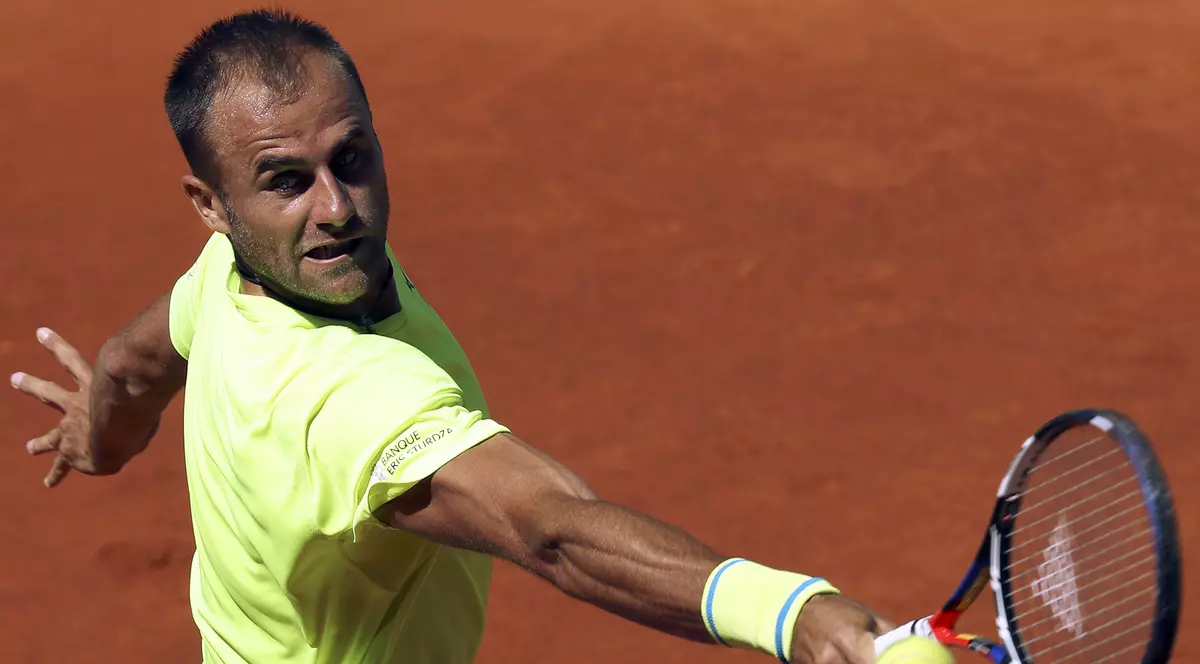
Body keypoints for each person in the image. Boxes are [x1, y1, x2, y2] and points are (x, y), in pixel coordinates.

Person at [11, 9, 892, 664]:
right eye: (287, 181)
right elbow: (550, 529)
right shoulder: (342, 398)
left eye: (350, 158)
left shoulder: (227, 275)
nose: (336, 209)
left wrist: (104, 432)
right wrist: (791, 611)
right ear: (209, 205)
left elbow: (132, 366)